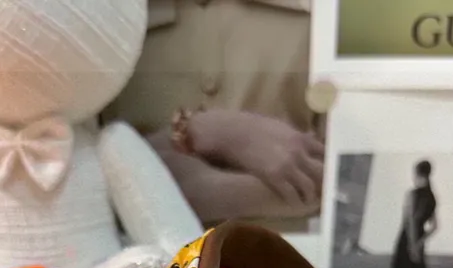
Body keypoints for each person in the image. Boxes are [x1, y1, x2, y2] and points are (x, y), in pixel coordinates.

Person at [100, 0, 323, 230]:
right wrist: (211, 133)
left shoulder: (320, 20)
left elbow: (339, 186)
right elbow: (87, 182)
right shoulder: (103, 23)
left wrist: (206, 187)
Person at [388, 160, 438, 268]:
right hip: (419, 243)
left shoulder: (412, 194)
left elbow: (411, 222)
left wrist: (412, 246)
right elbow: (435, 227)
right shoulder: (432, 198)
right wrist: (419, 244)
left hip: (406, 242)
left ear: (418, 174)